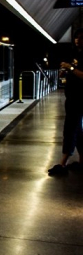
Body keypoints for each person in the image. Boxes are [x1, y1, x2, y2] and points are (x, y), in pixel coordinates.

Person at [48, 28, 83, 175]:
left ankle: (63, 164)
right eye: (76, 38)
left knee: (70, 129)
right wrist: (66, 71)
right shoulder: (75, 54)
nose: (77, 40)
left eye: (81, 38)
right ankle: (82, 162)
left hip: (80, 99)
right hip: (72, 97)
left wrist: (71, 67)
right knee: (79, 131)